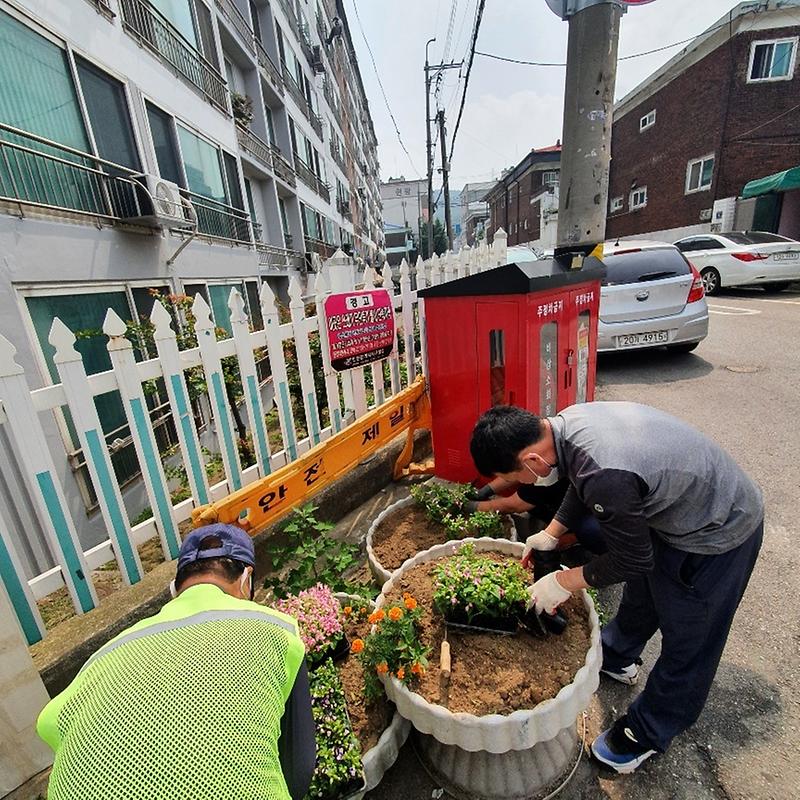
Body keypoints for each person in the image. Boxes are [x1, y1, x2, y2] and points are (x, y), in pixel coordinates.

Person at [470, 402, 763, 774]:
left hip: (718, 529)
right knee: (644, 593)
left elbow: (631, 560)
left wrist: (562, 582)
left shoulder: (605, 471)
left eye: (515, 477)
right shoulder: (565, 427)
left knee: (690, 639)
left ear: (531, 461)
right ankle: (619, 653)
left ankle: (648, 730)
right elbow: (583, 484)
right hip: (673, 512)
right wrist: (552, 532)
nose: (519, 485)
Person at [38, 524, 316, 800]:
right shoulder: (272, 630)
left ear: (176, 587)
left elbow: (50, 723)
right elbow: (299, 769)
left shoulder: (109, 652)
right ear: (247, 578)